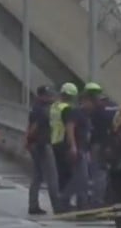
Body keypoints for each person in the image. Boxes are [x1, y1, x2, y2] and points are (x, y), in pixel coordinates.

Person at [25, 85, 61, 216]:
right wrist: (29, 139)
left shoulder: (36, 108)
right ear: (41, 96)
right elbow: (34, 127)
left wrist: (28, 142)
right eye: (48, 95)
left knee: (37, 176)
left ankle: (33, 205)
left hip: (36, 144)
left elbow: (30, 127)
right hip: (43, 144)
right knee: (52, 176)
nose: (51, 97)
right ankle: (57, 206)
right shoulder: (42, 110)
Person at [83, 82, 117, 204]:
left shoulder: (96, 110)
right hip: (115, 144)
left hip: (99, 144)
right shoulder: (114, 105)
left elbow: (91, 130)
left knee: (98, 173)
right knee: (112, 174)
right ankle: (111, 200)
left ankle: (97, 201)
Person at [49, 82, 81, 212]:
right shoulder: (67, 109)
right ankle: (64, 202)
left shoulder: (54, 107)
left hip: (54, 142)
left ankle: (61, 203)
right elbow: (69, 128)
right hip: (63, 143)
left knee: (60, 174)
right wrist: (73, 145)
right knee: (69, 175)